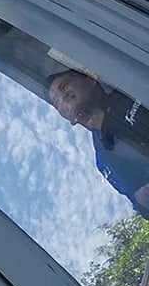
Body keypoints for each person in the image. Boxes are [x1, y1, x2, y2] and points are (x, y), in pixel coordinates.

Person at [48, 69, 149, 219]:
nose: (63, 97)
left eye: (64, 86)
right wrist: (141, 199)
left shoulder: (127, 90)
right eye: (58, 102)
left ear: (90, 79)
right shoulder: (105, 159)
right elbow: (137, 202)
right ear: (70, 120)